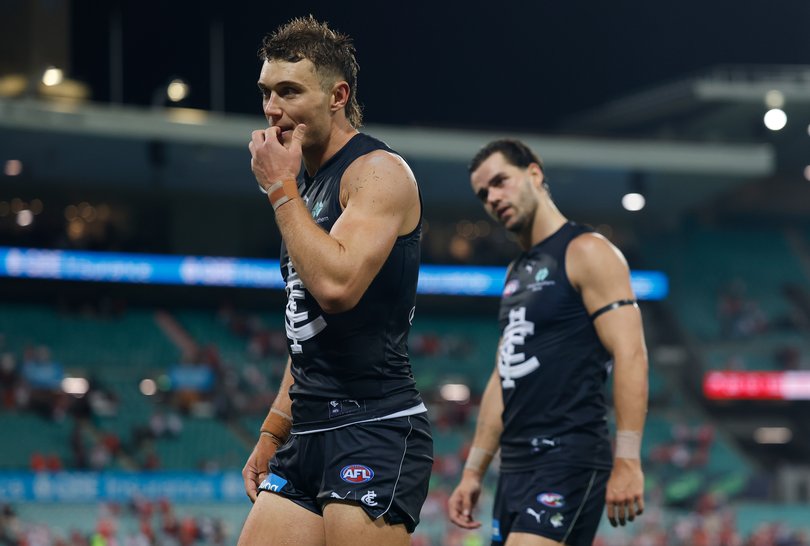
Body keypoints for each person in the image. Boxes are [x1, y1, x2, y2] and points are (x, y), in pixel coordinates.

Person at [238, 16, 432, 546]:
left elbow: (337, 289)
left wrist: (280, 190)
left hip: (373, 426)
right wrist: (272, 432)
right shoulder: (306, 188)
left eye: (289, 91)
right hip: (307, 432)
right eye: (266, 92)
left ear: (337, 96)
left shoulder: (378, 172)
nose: (272, 108)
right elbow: (307, 328)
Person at [448, 139, 648, 546]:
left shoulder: (588, 251)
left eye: (500, 181)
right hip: (515, 468)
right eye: (483, 194)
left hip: (569, 457)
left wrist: (628, 458)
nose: (492, 198)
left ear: (535, 174)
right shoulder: (515, 273)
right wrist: (472, 472)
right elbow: (503, 374)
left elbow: (631, 352)